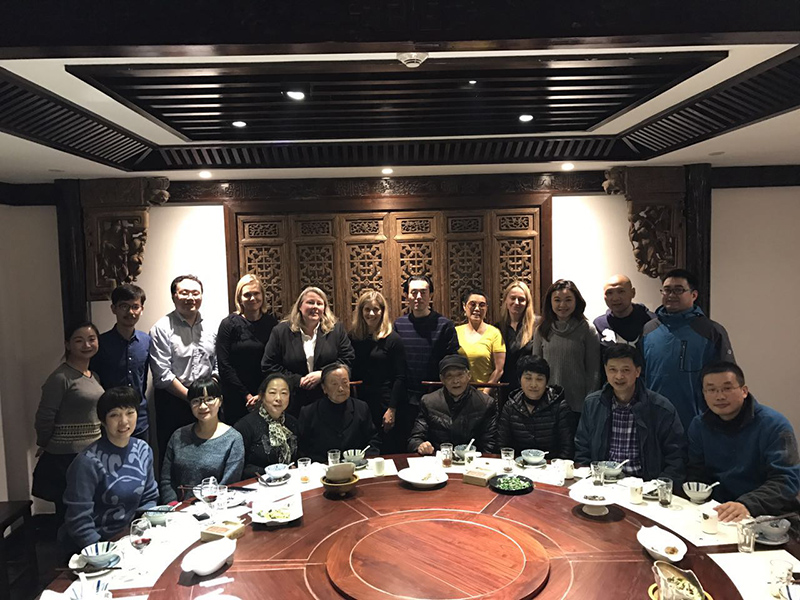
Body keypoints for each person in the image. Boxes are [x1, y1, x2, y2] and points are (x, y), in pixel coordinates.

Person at [687, 362, 800, 522]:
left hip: (767, 515)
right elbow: (696, 473)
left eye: (727, 388)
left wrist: (746, 504)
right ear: (704, 394)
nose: (720, 396)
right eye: (711, 390)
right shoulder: (699, 426)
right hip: (718, 512)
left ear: (744, 391)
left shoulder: (774, 425)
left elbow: (787, 481)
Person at [60, 387, 158, 551]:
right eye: (114, 415)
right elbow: (78, 520)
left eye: (130, 413)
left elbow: (149, 498)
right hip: (94, 546)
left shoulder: (143, 450)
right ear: (103, 420)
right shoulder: (88, 462)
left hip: (129, 539)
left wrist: (140, 532)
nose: (124, 421)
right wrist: (103, 552)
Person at [575, 344, 686, 482]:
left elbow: (676, 457)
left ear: (637, 371)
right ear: (605, 370)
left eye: (626, 370)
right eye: (612, 370)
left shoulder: (661, 408)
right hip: (603, 483)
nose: (619, 376)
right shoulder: (593, 404)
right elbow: (582, 448)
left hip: (644, 486)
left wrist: (659, 487)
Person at [642, 268, 735, 431]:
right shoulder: (649, 329)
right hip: (654, 421)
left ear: (694, 295)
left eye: (679, 290)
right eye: (667, 290)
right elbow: (640, 375)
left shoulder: (710, 331)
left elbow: (726, 377)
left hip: (698, 423)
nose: (671, 295)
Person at [33, 322, 104, 520]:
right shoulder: (60, 377)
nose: (87, 345)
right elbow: (45, 415)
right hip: (65, 458)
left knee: (89, 511)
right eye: (79, 340)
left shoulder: (94, 376)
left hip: (91, 454)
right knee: (70, 515)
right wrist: (45, 442)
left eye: (92, 339)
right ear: (68, 344)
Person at [150, 274, 218, 459]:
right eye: (184, 293)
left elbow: (216, 363)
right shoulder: (161, 328)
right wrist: (193, 398)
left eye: (195, 293)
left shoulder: (212, 326)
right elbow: (162, 374)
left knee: (208, 451)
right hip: (174, 400)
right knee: (175, 455)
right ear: (174, 296)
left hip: (207, 397)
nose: (190, 298)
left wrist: (207, 393)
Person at [261, 286, 354, 416]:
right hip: (293, 401)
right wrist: (298, 380)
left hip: (329, 399)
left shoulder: (336, 330)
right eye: (310, 302)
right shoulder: (281, 331)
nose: (315, 307)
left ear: (324, 308)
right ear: (300, 306)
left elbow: (347, 360)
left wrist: (323, 375)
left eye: (319, 303)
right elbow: (268, 365)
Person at [393, 275, 460, 442]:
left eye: (423, 292)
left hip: (437, 397)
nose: (418, 297)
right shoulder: (398, 325)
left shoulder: (445, 325)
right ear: (407, 296)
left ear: (431, 295)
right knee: (408, 443)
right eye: (413, 292)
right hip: (406, 398)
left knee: (436, 443)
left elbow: (451, 362)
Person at [159, 378, 244, 503]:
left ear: (220, 401)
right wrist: (173, 506)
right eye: (196, 401)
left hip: (216, 508)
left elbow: (228, 484)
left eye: (209, 399)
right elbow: (166, 480)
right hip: (179, 510)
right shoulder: (178, 436)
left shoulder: (233, 439)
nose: (203, 406)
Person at [349, 289, 408, 453]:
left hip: (385, 401)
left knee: (386, 447)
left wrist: (392, 409)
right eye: (367, 309)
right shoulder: (353, 337)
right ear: (361, 312)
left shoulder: (392, 339)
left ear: (383, 312)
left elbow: (400, 377)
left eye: (376, 309)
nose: (371, 313)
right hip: (360, 400)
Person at [90, 284, 151, 442]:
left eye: (135, 307)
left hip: (140, 418)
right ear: (113, 308)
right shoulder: (101, 343)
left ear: (141, 309)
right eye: (124, 306)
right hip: (109, 419)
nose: (130, 312)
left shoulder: (146, 341)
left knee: (140, 463)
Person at [216, 274, 279, 424]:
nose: (252, 298)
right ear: (239, 298)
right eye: (247, 295)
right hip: (237, 397)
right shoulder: (228, 324)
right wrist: (247, 396)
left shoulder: (272, 323)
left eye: (256, 293)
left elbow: (277, 361)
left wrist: (262, 394)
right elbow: (224, 365)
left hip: (267, 394)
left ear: (262, 296)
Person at [532, 279, 600, 413]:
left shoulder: (587, 329)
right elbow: (536, 370)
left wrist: (590, 402)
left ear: (576, 301)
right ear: (550, 302)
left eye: (568, 300)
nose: (562, 305)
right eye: (557, 300)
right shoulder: (541, 330)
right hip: (548, 404)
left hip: (579, 405)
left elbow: (594, 372)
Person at [408, 355, 498, 455]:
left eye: (460, 375)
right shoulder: (428, 401)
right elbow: (415, 438)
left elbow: (490, 444)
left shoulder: (485, 403)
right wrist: (420, 445)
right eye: (449, 376)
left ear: (469, 375)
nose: (455, 381)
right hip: (439, 460)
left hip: (472, 461)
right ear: (442, 379)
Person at [298, 362, 381, 464]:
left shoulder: (361, 408)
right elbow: (302, 449)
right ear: (324, 388)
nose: (341, 388)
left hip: (357, 467)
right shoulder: (308, 412)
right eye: (334, 384)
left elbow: (373, 440)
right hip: (322, 470)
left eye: (344, 382)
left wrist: (367, 460)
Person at [498, 356, 574, 458]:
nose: (533, 385)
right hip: (518, 467)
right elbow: (502, 445)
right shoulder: (510, 407)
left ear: (546, 382)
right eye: (528, 378)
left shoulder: (560, 407)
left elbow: (567, 449)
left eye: (539, 379)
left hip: (551, 468)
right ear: (519, 380)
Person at [234, 373, 299, 479]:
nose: (278, 398)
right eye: (272, 393)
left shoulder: (292, 423)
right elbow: (239, 467)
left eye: (284, 393)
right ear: (262, 396)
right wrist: (271, 473)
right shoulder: (245, 426)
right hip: (258, 485)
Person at [456, 288, 506, 392]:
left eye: (482, 305)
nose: (477, 309)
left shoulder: (494, 333)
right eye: (472, 304)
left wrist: (486, 392)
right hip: (459, 392)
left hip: (484, 394)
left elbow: (499, 370)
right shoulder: (455, 332)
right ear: (464, 306)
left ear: (486, 308)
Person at [593, 274, 656, 348]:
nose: (615, 298)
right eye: (609, 293)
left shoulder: (652, 322)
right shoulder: (599, 325)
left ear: (632, 293)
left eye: (621, 291)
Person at [497, 281, 536, 397]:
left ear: (527, 303)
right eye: (512, 298)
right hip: (505, 389)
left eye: (521, 299)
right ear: (506, 301)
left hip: (531, 387)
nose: (516, 303)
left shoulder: (537, 326)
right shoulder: (497, 328)